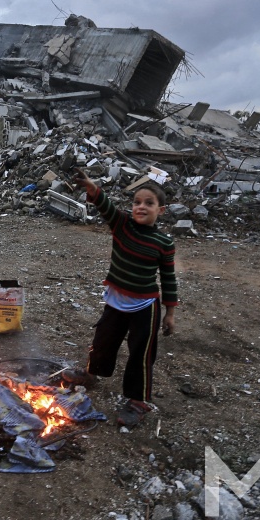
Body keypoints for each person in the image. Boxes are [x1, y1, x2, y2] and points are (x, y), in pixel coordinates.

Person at [63, 168, 179, 429]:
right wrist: (92, 187)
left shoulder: (164, 242)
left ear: (161, 210)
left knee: (141, 353)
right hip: (116, 300)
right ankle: (92, 374)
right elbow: (106, 207)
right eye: (137, 202)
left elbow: (168, 278)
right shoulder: (122, 225)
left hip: (145, 306)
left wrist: (170, 313)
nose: (141, 207)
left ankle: (138, 401)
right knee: (103, 341)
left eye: (149, 203)